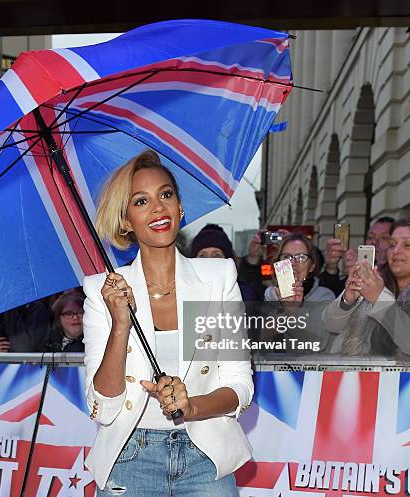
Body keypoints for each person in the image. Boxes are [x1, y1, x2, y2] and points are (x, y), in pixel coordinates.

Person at [82, 150, 253, 496]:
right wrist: (120, 325)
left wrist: (192, 406)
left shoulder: (217, 278)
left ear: (180, 207)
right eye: (141, 201)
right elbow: (103, 406)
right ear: (126, 221)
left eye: (166, 195)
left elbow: (239, 387)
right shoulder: (102, 291)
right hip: (130, 457)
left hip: (205, 456)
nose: (158, 208)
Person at [323, 216, 410, 357]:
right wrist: (347, 300)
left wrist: (379, 298)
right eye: (392, 245)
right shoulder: (374, 278)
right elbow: (331, 324)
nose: (396, 251)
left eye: (407, 245)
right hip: (351, 376)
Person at [264, 234, 335, 349]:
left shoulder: (324, 297)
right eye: (286, 257)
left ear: (311, 266)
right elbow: (258, 339)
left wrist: (294, 313)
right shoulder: (269, 296)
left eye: (301, 257)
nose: (293, 263)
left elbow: (319, 344)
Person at [319, 217, 395, 296]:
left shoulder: (398, 274)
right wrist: (331, 268)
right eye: (370, 237)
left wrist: (364, 273)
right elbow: (330, 297)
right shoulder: (357, 270)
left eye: (384, 237)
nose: (374, 242)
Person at [191, 224, 259, 301]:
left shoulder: (245, 295)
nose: (209, 260)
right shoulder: (182, 295)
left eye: (216, 255)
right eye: (202, 255)